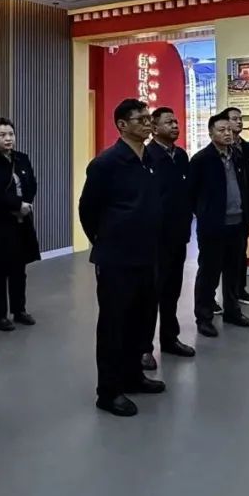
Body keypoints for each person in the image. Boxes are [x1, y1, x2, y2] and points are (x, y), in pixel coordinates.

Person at [79, 99, 165, 417]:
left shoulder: (150, 158)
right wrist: (104, 241)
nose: (147, 123)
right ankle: (109, 391)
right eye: (140, 119)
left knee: (141, 320)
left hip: (147, 254)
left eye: (148, 117)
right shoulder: (106, 163)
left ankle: (133, 376)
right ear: (122, 125)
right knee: (114, 324)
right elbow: (88, 209)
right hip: (116, 257)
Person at [189, 112, 249, 338]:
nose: (227, 133)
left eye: (229, 129)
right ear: (210, 133)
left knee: (233, 272)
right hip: (213, 227)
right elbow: (191, 194)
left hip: (237, 224)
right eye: (221, 130)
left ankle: (232, 311)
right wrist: (205, 215)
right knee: (209, 274)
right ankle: (204, 317)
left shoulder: (237, 155)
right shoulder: (201, 159)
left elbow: (245, 188)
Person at [141, 107, 196, 370]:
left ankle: (170, 338)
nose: (175, 125)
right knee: (150, 294)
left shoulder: (181, 155)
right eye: (168, 122)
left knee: (172, 291)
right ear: (154, 128)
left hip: (178, 235)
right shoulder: (147, 156)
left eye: (176, 121)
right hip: (155, 238)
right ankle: (144, 348)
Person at [0, 117, 40, 332]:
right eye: (2, 135)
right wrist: (16, 204)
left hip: (21, 222)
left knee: (19, 269)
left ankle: (19, 310)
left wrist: (26, 203)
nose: (8, 138)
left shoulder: (21, 158)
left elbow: (31, 184)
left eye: (11, 134)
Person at [221, 106, 249, 307]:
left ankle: (239, 289)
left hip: (243, 209)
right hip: (224, 212)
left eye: (240, 118)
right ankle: (211, 299)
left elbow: (247, 182)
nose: (239, 122)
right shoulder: (218, 150)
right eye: (234, 119)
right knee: (217, 258)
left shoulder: (246, 147)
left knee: (241, 252)